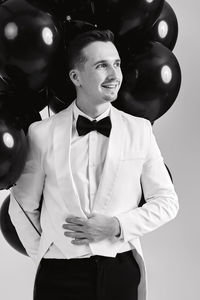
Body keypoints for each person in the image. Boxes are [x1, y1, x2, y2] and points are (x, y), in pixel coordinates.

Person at [9, 29, 179, 300]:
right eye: (102, 66)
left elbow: (167, 202)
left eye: (117, 64)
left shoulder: (140, 130)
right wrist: (49, 251)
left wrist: (116, 226)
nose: (114, 75)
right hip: (58, 273)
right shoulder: (41, 133)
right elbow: (21, 205)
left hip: (121, 269)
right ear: (76, 77)